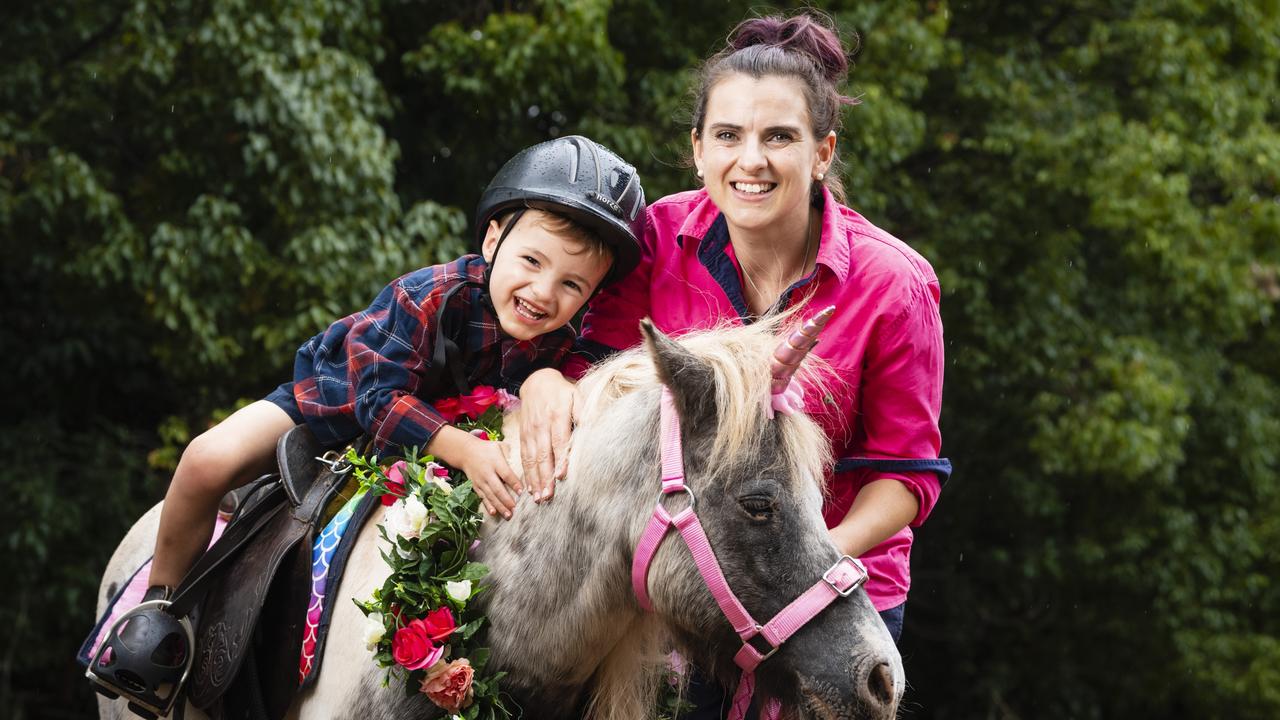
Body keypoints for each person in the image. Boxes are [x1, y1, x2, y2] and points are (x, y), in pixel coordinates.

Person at [95, 135, 645, 710]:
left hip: (429, 463)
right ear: (493, 239)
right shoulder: (428, 295)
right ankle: (158, 611)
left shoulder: (559, 347)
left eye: (571, 285)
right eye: (532, 262)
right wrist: (467, 451)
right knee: (208, 458)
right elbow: (378, 402)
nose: (542, 293)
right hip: (332, 410)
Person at [515, 12, 946, 713]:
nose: (752, 160)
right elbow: (591, 367)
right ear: (697, 150)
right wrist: (540, 379)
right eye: (728, 136)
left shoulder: (896, 284)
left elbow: (906, 477)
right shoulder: (654, 237)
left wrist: (803, 567)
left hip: (830, 594)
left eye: (780, 136)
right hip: (679, 594)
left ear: (823, 152)